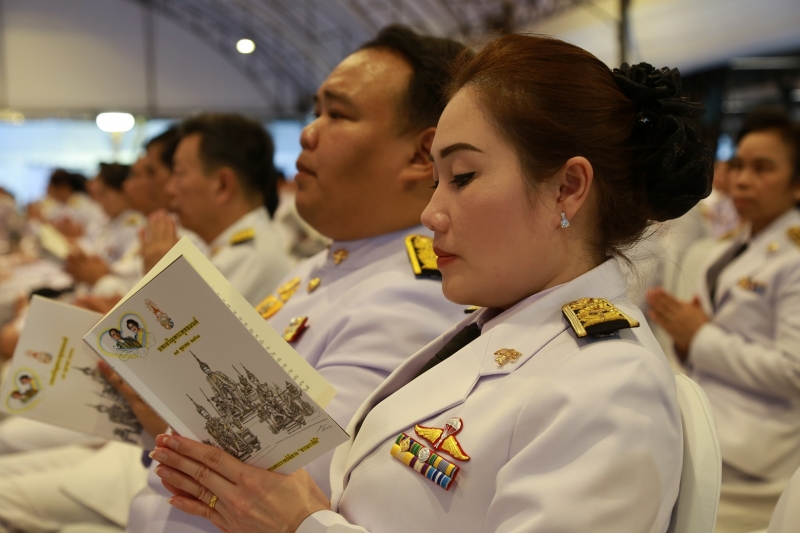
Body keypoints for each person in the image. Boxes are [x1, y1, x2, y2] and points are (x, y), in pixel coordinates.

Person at [146, 35, 713, 533]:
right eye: (437, 179)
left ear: (567, 188)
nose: (431, 213)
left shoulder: (609, 383)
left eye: (462, 177)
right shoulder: (492, 331)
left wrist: (299, 526)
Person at [122, 24, 467, 533]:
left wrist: (166, 408)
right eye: (315, 112)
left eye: (338, 115)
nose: (308, 133)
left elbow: (300, 483)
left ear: (421, 155)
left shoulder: (416, 296)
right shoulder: (319, 268)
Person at [648, 110, 800, 533]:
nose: (742, 181)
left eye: (763, 168)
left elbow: (794, 370)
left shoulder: (794, 259)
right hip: (705, 433)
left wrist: (700, 337)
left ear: (796, 183)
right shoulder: (727, 249)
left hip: (755, 461)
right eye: (738, 166)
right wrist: (685, 339)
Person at [146, 113, 291, 305]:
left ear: (223, 185)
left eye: (180, 174)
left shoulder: (250, 259)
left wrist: (165, 279)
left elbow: (195, 324)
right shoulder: (231, 251)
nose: (169, 189)